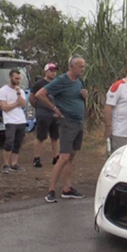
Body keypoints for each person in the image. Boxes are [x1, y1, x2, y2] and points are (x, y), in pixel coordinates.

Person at [36, 56, 88, 203]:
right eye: (80, 66)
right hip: (67, 122)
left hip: (78, 122)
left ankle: (67, 188)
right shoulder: (62, 80)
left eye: (83, 66)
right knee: (63, 157)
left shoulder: (79, 81)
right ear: (71, 67)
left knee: (71, 156)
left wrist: (84, 96)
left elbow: (79, 98)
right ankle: (51, 191)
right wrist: (54, 108)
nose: (83, 69)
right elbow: (40, 94)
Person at [30, 63, 60, 168]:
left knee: (55, 136)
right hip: (43, 113)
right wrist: (38, 107)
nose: (53, 73)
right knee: (41, 136)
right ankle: (36, 158)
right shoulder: (39, 84)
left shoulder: (57, 83)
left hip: (55, 113)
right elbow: (31, 98)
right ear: (46, 71)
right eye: (51, 71)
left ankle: (56, 157)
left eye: (55, 71)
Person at [0, 69, 28, 174]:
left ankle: (14, 163)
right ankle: (6, 164)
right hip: (10, 120)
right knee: (9, 142)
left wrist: (18, 93)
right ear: (11, 77)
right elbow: (4, 107)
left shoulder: (21, 91)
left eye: (19, 79)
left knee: (18, 143)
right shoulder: (3, 90)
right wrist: (16, 103)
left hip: (21, 119)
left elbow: (23, 104)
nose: (18, 81)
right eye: (16, 78)